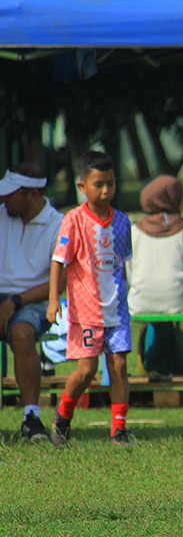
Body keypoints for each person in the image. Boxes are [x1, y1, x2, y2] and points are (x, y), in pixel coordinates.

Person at [47, 151, 132, 446]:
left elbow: (123, 263)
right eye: (99, 184)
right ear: (82, 186)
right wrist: (53, 300)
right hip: (86, 311)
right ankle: (62, 416)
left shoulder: (122, 222)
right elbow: (59, 260)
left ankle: (119, 431)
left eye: (111, 183)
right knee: (86, 371)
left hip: (118, 311)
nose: (106, 190)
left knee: (119, 367)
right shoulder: (73, 220)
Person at [0, 164, 64, 441]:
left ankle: (31, 417)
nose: (4, 199)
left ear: (31, 194)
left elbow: (59, 281)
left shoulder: (59, 224)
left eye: (10, 194)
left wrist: (14, 301)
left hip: (35, 298)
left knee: (22, 332)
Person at [128, 175, 183, 381]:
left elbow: (131, 273)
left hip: (139, 302)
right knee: (171, 310)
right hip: (181, 302)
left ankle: (155, 364)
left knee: (158, 320)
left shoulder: (134, 231)